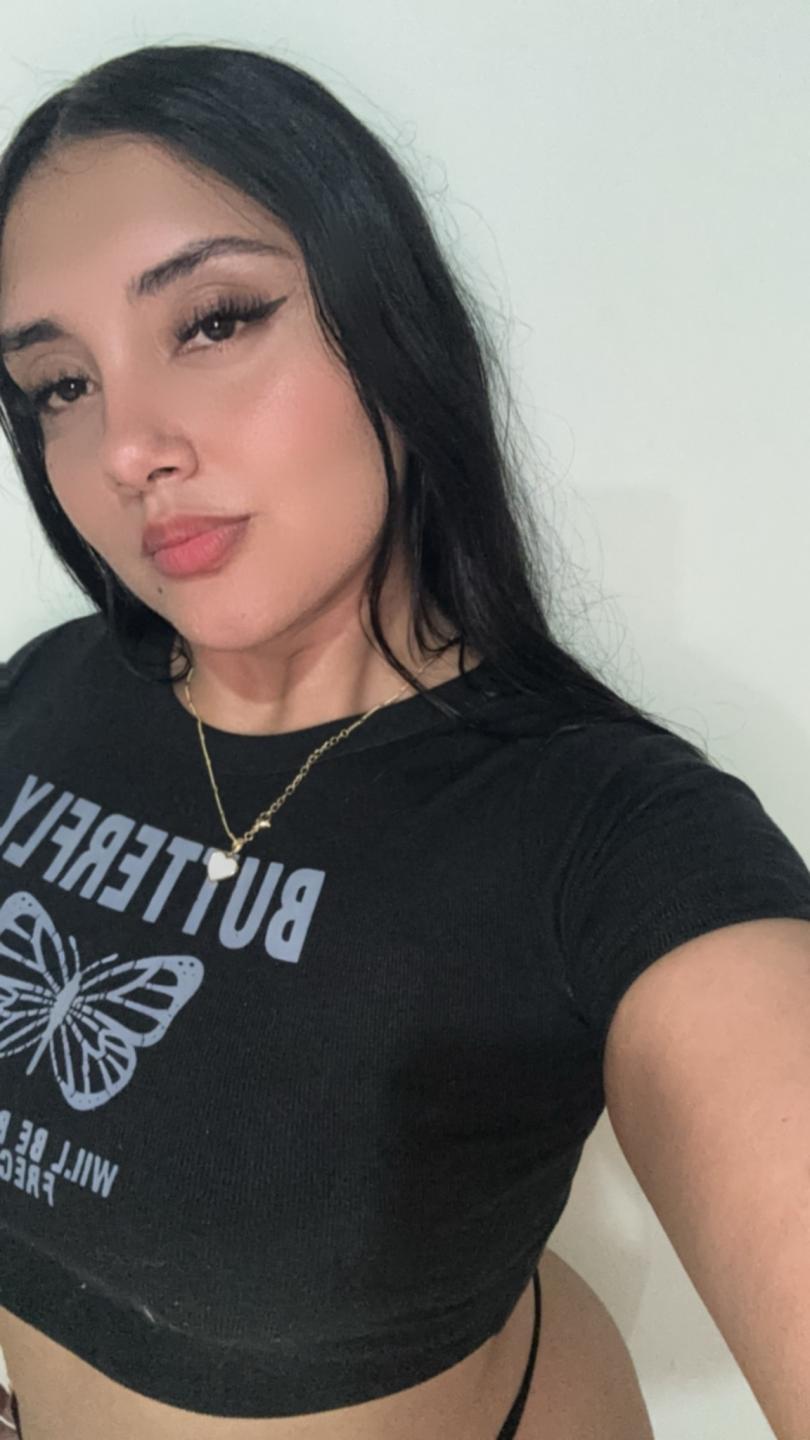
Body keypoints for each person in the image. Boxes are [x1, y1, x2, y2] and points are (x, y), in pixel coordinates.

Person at [1, 43, 809, 1440]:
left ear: (391, 326)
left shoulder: (608, 836)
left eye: (212, 321)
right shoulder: (42, 691)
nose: (127, 447)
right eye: (60, 384)